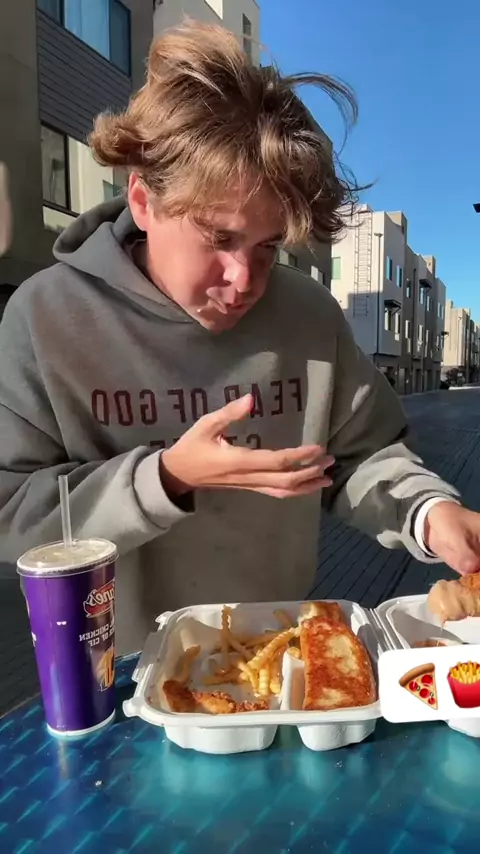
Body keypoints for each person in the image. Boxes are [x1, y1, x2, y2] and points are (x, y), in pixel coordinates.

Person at [0, 22, 478, 655]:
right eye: (219, 238)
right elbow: (11, 515)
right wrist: (167, 477)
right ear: (142, 200)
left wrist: (428, 512)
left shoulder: (309, 314)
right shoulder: (45, 317)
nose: (245, 279)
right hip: (113, 673)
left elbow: (360, 457)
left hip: (279, 651)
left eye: (268, 245)